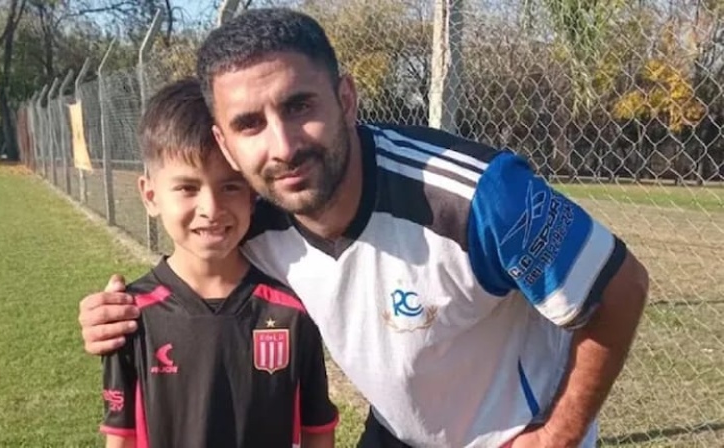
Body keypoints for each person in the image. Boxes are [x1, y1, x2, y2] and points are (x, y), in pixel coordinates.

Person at [79, 8, 649, 448]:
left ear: (346, 99)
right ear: (226, 144)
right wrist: (113, 313)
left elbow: (621, 285)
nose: (283, 146)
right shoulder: (255, 211)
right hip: (395, 433)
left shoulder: (478, 197)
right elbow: (193, 274)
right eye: (250, 123)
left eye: (299, 106)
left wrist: (558, 435)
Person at [98, 77, 338, 448]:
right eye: (187, 188)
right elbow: (122, 436)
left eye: (230, 186)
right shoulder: (130, 318)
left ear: (253, 194)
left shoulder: (291, 309)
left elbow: (317, 429)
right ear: (150, 196)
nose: (211, 209)